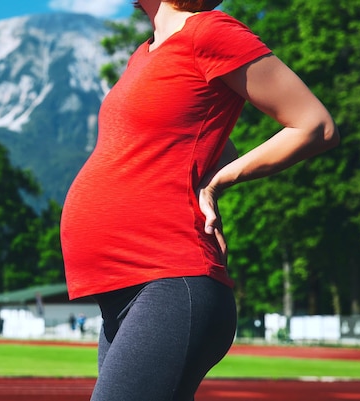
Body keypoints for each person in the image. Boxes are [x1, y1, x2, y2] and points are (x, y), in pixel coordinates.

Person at [59, 1, 339, 400]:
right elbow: (204, 138)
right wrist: (204, 180)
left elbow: (315, 125)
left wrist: (218, 184)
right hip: (122, 286)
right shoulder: (145, 52)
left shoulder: (210, 32)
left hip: (170, 279)